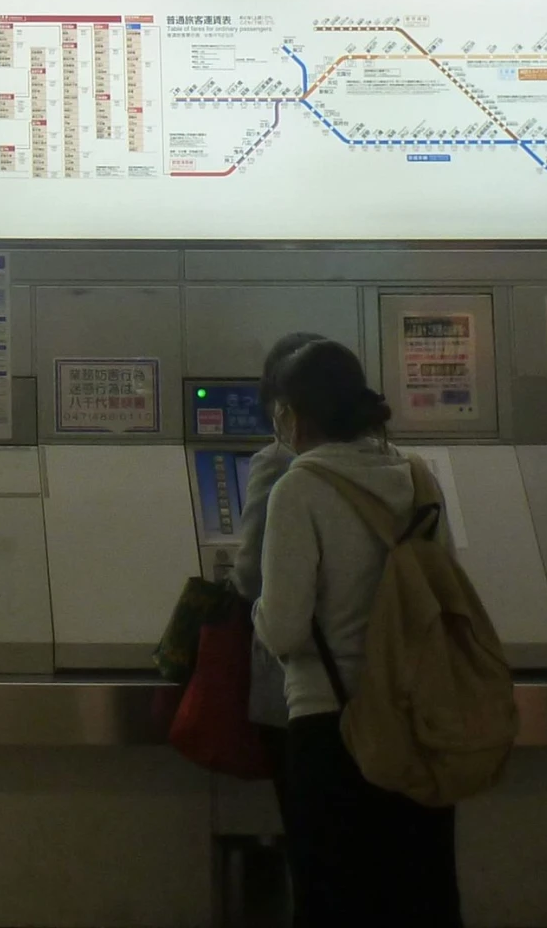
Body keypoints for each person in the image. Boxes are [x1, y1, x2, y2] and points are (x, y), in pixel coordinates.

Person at [252, 338, 462, 928]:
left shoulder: (300, 487)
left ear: (296, 412)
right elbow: (444, 594)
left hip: (331, 729)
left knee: (335, 900)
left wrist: (256, 614)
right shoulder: (418, 479)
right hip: (417, 720)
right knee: (421, 897)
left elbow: (286, 627)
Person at [230, 333, 330, 809]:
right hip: (384, 687)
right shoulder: (396, 463)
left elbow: (250, 576)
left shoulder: (278, 465)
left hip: (299, 692)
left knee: (307, 830)